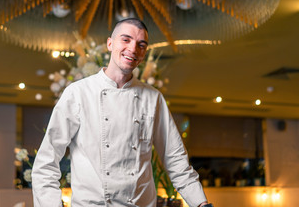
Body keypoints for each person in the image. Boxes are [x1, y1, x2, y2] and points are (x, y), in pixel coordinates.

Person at [32, 18, 213, 207]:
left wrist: (201, 203)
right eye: (125, 40)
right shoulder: (78, 93)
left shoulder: (153, 98)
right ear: (110, 43)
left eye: (141, 45)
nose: (133, 49)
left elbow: (175, 159)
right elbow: (46, 162)